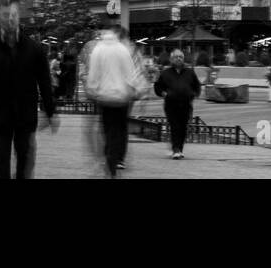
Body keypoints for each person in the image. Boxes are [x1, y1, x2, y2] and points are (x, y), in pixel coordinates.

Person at [0, 1, 58, 179]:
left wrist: (51, 112)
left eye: (13, 15)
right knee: (0, 159)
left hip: (25, 115)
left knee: (25, 158)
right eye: (6, 15)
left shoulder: (34, 49)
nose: (10, 19)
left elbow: (44, 81)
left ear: (18, 17)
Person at [84, 24, 148, 177]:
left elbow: (93, 74)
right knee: (120, 129)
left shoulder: (98, 49)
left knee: (107, 128)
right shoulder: (122, 49)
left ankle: (109, 157)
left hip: (104, 98)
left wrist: (92, 90)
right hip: (121, 98)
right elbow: (130, 74)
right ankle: (116, 158)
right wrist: (138, 90)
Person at [154, 49, 201, 160]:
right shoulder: (165, 73)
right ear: (171, 59)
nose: (179, 58)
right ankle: (176, 149)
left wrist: (194, 94)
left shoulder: (190, 72)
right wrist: (164, 94)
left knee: (183, 127)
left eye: (181, 57)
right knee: (175, 126)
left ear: (183, 59)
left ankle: (180, 148)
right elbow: (158, 87)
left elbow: (197, 85)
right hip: (171, 104)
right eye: (176, 57)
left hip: (186, 104)